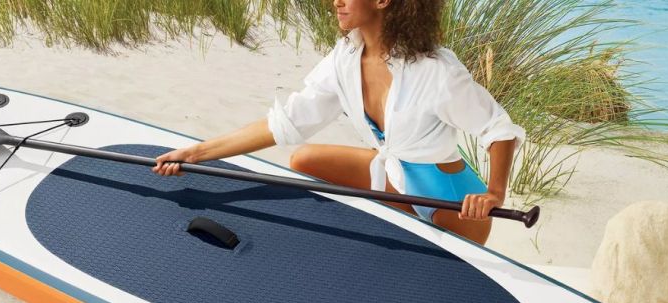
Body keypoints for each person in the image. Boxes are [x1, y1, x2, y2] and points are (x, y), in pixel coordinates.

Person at [152, 0, 524, 245]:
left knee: (428, 270)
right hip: (393, 179)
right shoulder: (345, 58)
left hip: (452, 201)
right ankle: (392, 220)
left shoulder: (436, 71)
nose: (336, 2)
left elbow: (499, 130)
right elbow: (286, 123)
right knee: (303, 159)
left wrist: (494, 194)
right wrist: (198, 152)